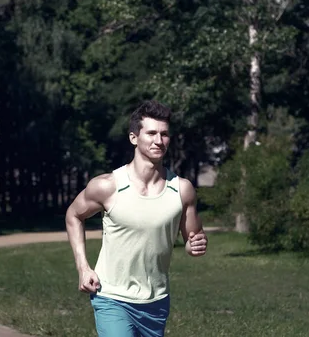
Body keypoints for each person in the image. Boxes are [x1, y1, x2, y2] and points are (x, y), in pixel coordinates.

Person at [65, 100, 208, 337]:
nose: (158, 140)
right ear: (134, 138)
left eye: (164, 134)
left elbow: (194, 239)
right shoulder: (107, 186)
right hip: (112, 297)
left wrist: (197, 245)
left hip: (156, 302)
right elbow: (73, 215)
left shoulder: (182, 190)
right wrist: (83, 267)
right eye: (151, 133)